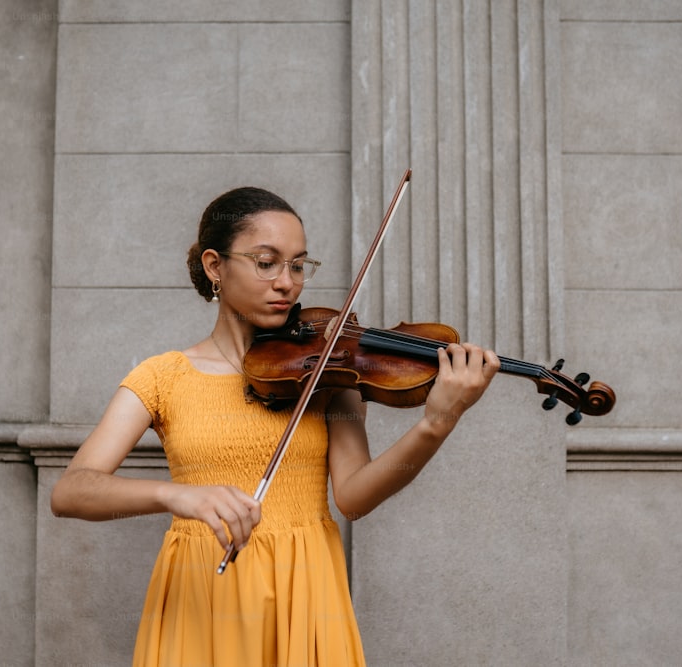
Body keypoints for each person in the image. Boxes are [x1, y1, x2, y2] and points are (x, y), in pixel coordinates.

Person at [50, 186, 500, 666]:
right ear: (214, 266)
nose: (287, 282)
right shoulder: (163, 377)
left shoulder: (327, 367)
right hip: (203, 597)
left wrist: (437, 422)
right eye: (267, 263)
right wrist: (176, 495)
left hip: (306, 592)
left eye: (298, 265)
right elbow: (72, 491)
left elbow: (354, 497)